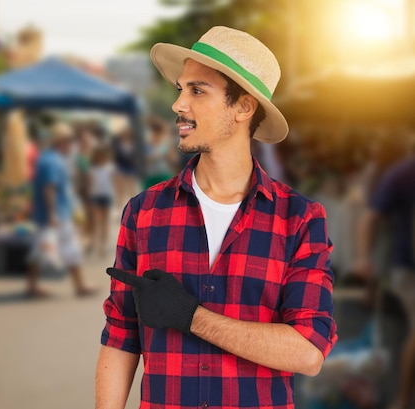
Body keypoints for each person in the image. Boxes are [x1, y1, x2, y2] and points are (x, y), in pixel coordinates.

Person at [95, 26, 338, 409]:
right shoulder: (144, 212)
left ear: (243, 107)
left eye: (197, 90)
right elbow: (121, 336)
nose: (178, 104)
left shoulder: (300, 219)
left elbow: (307, 352)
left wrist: (189, 316)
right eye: (181, 88)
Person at [353, 153, 415, 409]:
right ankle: (401, 400)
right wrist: (364, 258)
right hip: (409, 268)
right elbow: (370, 218)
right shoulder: (404, 172)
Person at [25, 122, 98, 298]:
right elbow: (49, 188)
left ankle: (32, 285)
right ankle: (80, 285)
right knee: (70, 249)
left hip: (52, 214)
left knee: (39, 250)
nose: (71, 145)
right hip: (57, 214)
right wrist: (52, 214)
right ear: (61, 142)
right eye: (69, 141)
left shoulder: (48, 158)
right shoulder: (53, 161)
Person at [87, 143, 115, 257]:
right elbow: (89, 184)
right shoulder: (92, 169)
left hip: (106, 195)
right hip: (96, 196)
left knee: (104, 222)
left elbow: (114, 181)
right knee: (97, 222)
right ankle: (96, 243)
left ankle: (103, 245)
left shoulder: (110, 167)